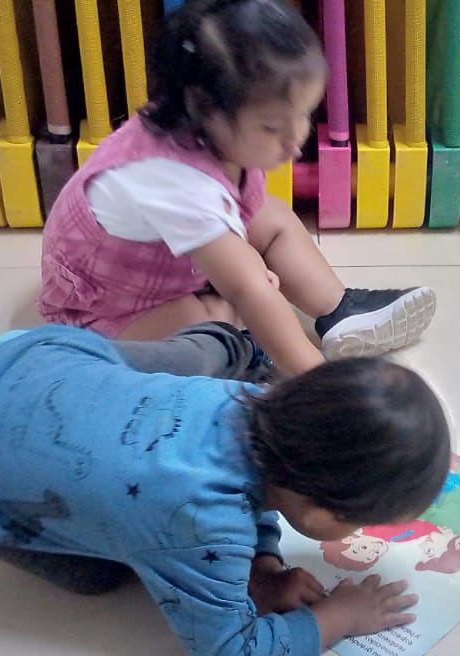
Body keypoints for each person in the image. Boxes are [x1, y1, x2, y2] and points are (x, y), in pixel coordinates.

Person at [0, 322, 453, 656]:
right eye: (361, 520)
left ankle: (222, 338)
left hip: (24, 355)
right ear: (319, 504)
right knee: (96, 577)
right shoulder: (204, 525)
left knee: (168, 367)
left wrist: (263, 570)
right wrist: (337, 617)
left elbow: (264, 486)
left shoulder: (242, 399)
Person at [37, 0, 435, 377]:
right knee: (215, 323)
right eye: (271, 127)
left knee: (273, 217)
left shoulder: (206, 131)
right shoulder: (174, 181)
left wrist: (252, 275)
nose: (296, 139)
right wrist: (320, 382)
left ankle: (340, 309)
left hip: (169, 258)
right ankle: (249, 350)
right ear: (205, 109)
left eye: (304, 114)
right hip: (112, 308)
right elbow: (248, 289)